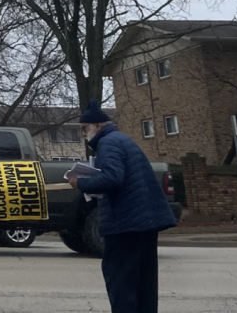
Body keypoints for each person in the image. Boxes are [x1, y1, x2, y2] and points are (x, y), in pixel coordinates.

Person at [69, 101, 177, 313]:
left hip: (125, 224)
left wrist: (80, 183)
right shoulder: (122, 140)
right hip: (143, 222)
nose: (84, 134)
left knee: (121, 282)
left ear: (97, 126)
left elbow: (113, 178)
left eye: (84, 128)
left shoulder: (108, 144)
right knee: (144, 282)